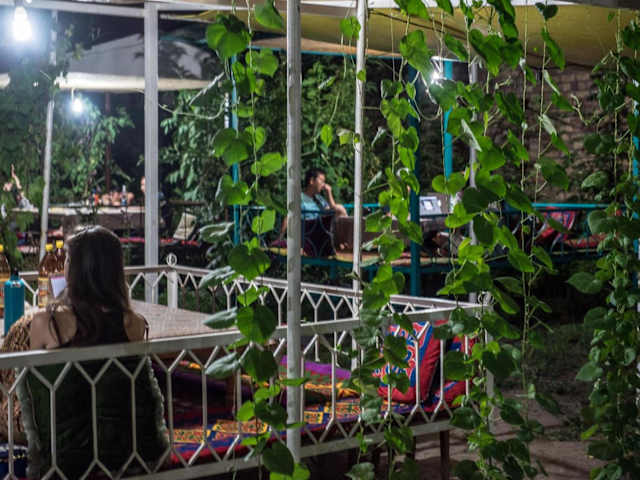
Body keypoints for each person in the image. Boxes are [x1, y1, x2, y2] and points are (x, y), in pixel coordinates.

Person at [0, 226, 168, 477]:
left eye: (67, 259)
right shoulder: (134, 323)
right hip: (133, 453)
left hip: (64, 460)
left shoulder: (48, 323)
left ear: (76, 270)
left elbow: (34, 393)